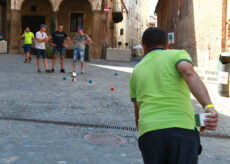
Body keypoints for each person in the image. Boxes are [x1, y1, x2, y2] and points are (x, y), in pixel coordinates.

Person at [129, 27, 218, 164]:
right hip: (183, 133)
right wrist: (208, 106)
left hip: (150, 134)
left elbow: (138, 114)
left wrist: (145, 136)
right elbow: (189, 73)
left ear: (144, 46)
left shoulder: (136, 71)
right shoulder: (176, 55)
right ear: (167, 45)